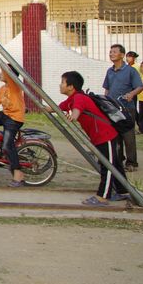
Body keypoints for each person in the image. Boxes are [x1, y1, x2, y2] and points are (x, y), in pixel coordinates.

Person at [58, 71, 126, 205]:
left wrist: (73, 117)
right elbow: (56, 108)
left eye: (62, 82)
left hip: (105, 135)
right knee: (114, 164)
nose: (60, 85)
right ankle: (123, 191)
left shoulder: (79, 97)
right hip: (98, 136)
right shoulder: (71, 99)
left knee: (108, 166)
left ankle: (102, 197)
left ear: (71, 87)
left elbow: (77, 111)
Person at [104, 44, 143, 172]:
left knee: (128, 136)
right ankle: (118, 160)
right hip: (113, 108)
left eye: (114, 52)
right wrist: (105, 102)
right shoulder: (109, 71)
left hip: (127, 108)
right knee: (115, 135)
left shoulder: (131, 71)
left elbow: (140, 86)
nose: (111, 54)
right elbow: (107, 89)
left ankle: (132, 163)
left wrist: (131, 94)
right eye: (110, 52)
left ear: (122, 55)